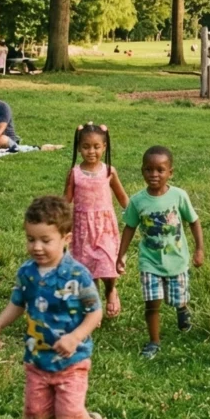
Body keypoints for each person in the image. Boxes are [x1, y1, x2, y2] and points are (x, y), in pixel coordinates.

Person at [0, 196, 107, 419]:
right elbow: (17, 303)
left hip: (71, 359)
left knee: (71, 413)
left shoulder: (77, 274)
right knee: (42, 415)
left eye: (45, 240)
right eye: (30, 239)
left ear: (66, 238)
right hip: (37, 359)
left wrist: (76, 337)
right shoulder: (27, 273)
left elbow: (95, 313)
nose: (36, 247)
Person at [116, 146, 204, 360]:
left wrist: (200, 249)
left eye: (160, 170)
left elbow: (193, 221)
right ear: (142, 171)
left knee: (176, 299)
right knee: (152, 303)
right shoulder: (137, 201)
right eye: (149, 170)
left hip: (177, 260)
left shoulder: (178, 196)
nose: (154, 175)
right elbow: (129, 227)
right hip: (150, 262)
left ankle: (182, 309)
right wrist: (121, 254)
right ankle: (154, 341)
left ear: (170, 172)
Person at [65, 123, 129, 318]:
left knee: (107, 261)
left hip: (105, 226)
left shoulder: (109, 171)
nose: (91, 151)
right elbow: (66, 201)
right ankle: (93, 307)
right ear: (78, 148)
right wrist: (59, 225)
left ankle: (111, 291)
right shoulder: (74, 173)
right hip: (82, 228)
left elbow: (123, 198)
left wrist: (137, 216)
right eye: (86, 147)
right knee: (88, 267)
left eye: (96, 147)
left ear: (104, 147)